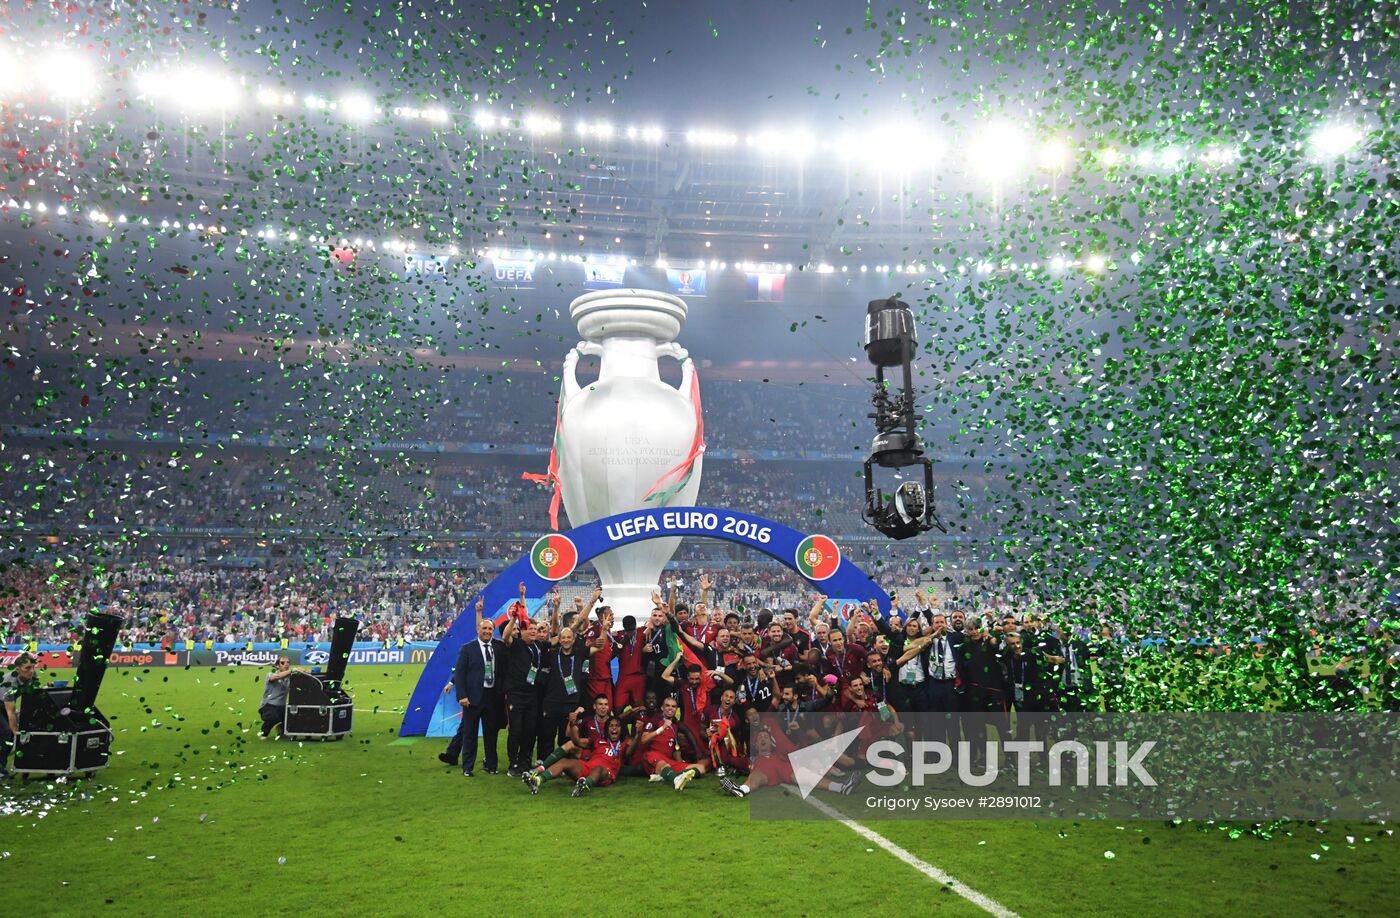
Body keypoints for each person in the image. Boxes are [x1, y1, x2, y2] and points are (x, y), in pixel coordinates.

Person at [445, 598, 507, 777]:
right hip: (472, 698)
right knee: (470, 734)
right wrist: (461, 696)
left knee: (491, 735)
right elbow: (460, 674)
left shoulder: (498, 647)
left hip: (492, 697)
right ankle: (467, 767)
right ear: (478, 630)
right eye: (484, 628)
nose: (487, 631)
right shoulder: (467, 649)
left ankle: (491, 765)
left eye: (490, 629)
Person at [501, 599, 547, 777]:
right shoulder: (516, 645)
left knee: (529, 730)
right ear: (522, 632)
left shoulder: (538, 647)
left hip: (532, 695)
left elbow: (558, 637)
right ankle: (513, 763)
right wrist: (514, 618)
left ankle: (525, 760)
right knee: (516, 730)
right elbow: (506, 636)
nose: (534, 632)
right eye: (530, 630)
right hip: (515, 695)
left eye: (536, 630)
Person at [1, 653, 39, 777]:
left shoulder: (33, 676)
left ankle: (5, 765)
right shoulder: (9, 682)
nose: (31, 671)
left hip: (4, 705)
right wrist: (17, 733)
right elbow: (10, 711)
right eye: (27, 668)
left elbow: (35, 697)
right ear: (17, 669)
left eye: (33, 667)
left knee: (10, 736)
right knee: (7, 732)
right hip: (3, 705)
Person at [258, 655, 298, 739]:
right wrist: (291, 671)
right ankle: (264, 733)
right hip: (268, 706)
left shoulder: (290, 677)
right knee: (273, 717)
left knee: (294, 715)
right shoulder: (270, 674)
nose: (286, 664)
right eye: (282, 663)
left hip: (282, 706)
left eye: (288, 662)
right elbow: (277, 677)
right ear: (277, 665)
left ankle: (281, 730)